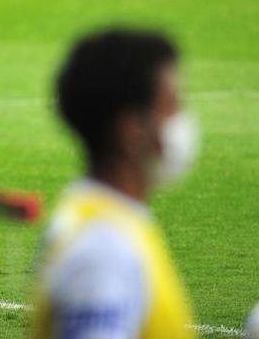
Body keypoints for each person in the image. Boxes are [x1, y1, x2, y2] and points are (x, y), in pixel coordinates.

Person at [30, 28, 200, 339]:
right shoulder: (103, 251)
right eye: (172, 104)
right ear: (131, 129)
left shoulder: (106, 222)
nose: (182, 119)